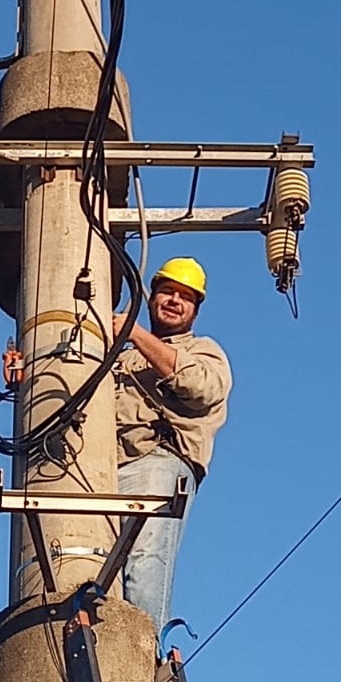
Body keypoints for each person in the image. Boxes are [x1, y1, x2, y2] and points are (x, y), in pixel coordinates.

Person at [112, 257, 232, 636]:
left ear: (195, 309)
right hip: (103, 466)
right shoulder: (120, 354)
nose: (175, 301)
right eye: (168, 292)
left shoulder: (204, 349)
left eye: (185, 297)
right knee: (94, 563)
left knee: (146, 559)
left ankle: (142, 653)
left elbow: (202, 388)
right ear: (152, 296)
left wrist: (135, 334)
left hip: (159, 461)